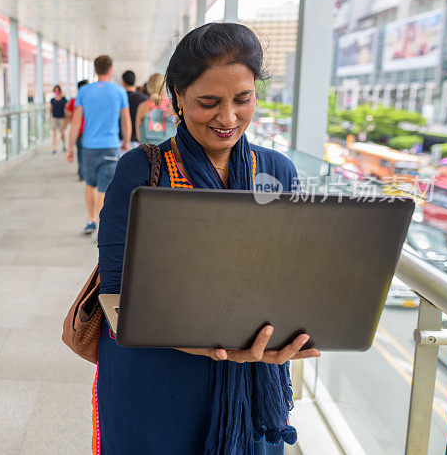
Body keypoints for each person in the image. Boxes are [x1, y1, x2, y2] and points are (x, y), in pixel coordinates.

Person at [93, 23, 320, 454]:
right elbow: (114, 293)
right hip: (157, 380)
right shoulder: (140, 172)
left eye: (243, 99)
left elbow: (288, 276)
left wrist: (290, 331)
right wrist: (207, 343)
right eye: (208, 102)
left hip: (252, 382)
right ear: (176, 96)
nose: (228, 118)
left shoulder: (277, 172)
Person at [66, 55, 131, 234]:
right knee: (105, 188)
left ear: (95, 70)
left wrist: (70, 147)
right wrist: (126, 141)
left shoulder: (84, 92)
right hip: (110, 146)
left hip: (89, 147)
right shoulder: (119, 92)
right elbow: (126, 121)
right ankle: (103, 227)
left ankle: (91, 220)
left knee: (90, 184)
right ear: (110, 70)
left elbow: (76, 122)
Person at [135, 72, 179, 144]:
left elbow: (139, 135)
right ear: (165, 86)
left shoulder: (143, 106)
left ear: (149, 87)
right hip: (169, 151)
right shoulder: (172, 105)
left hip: (148, 151)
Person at [67, 79, 90, 180]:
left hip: (79, 132)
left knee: (80, 153)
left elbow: (70, 116)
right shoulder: (91, 101)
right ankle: (87, 172)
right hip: (89, 131)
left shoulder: (74, 101)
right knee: (89, 153)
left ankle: (82, 173)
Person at [120, 70, 149, 148]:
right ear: (134, 82)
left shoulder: (119, 99)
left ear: (123, 82)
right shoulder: (144, 100)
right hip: (138, 141)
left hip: (121, 141)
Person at [49, 85, 68, 153]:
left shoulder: (63, 99)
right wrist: (49, 117)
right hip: (54, 118)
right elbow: (50, 109)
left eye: (57, 90)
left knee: (62, 133)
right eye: (55, 90)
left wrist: (67, 118)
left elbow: (66, 108)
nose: (56, 91)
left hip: (62, 118)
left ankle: (64, 146)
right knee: (54, 134)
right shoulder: (52, 100)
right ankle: (54, 148)